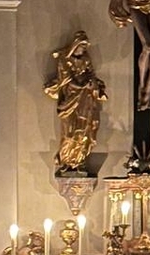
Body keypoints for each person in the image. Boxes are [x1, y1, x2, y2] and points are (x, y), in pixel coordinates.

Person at [45, 30, 108, 173]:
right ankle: (66, 160)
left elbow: (91, 74)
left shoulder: (86, 59)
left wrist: (91, 84)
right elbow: (67, 79)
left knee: (84, 131)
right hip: (70, 101)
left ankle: (79, 160)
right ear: (75, 45)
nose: (83, 50)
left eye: (85, 47)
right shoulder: (64, 60)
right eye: (82, 46)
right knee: (69, 133)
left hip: (85, 100)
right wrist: (82, 84)